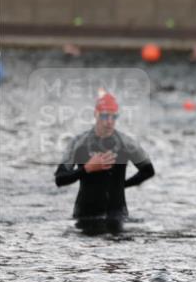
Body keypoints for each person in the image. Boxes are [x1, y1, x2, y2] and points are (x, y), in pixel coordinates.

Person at [55, 93, 155, 235]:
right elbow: (60, 179)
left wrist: (122, 185)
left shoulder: (126, 143)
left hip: (117, 216)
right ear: (96, 114)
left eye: (113, 117)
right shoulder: (78, 143)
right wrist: (87, 168)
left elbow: (148, 170)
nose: (109, 121)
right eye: (104, 116)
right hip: (85, 216)